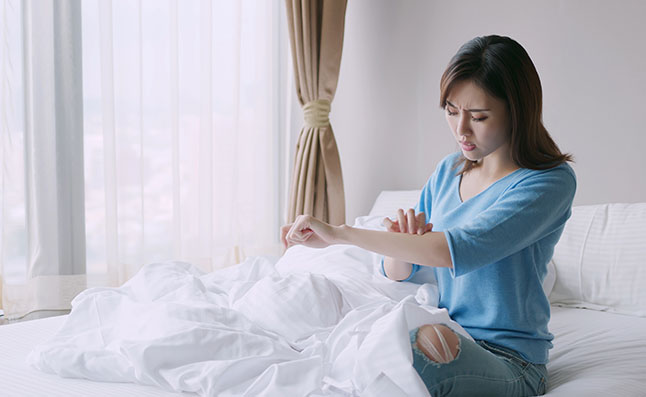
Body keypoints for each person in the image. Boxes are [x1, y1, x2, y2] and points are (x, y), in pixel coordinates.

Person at [281, 35, 575, 396]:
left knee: (415, 353)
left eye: (479, 117)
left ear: (518, 111)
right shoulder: (449, 171)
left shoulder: (548, 183)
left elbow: (456, 249)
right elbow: (397, 271)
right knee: (374, 344)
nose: (461, 130)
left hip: (511, 360)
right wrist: (404, 244)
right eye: (452, 112)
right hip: (449, 331)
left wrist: (340, 233)